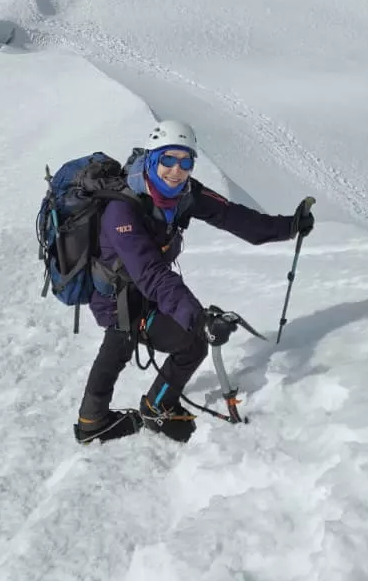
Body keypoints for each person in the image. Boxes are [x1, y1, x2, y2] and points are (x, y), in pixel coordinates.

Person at [75, 118, 314, 444]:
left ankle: (126, 414)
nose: (176, 169)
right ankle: (112, 419)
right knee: (161, 339)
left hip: (145, 292)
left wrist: (289, 226)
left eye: (185, 161)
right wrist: (198, 317)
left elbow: (235, 217)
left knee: (148, 342)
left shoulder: (185, 193)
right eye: (167, 160)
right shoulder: (122, 210)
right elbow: (151, 273)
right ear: (151, 158)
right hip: (116, 296)